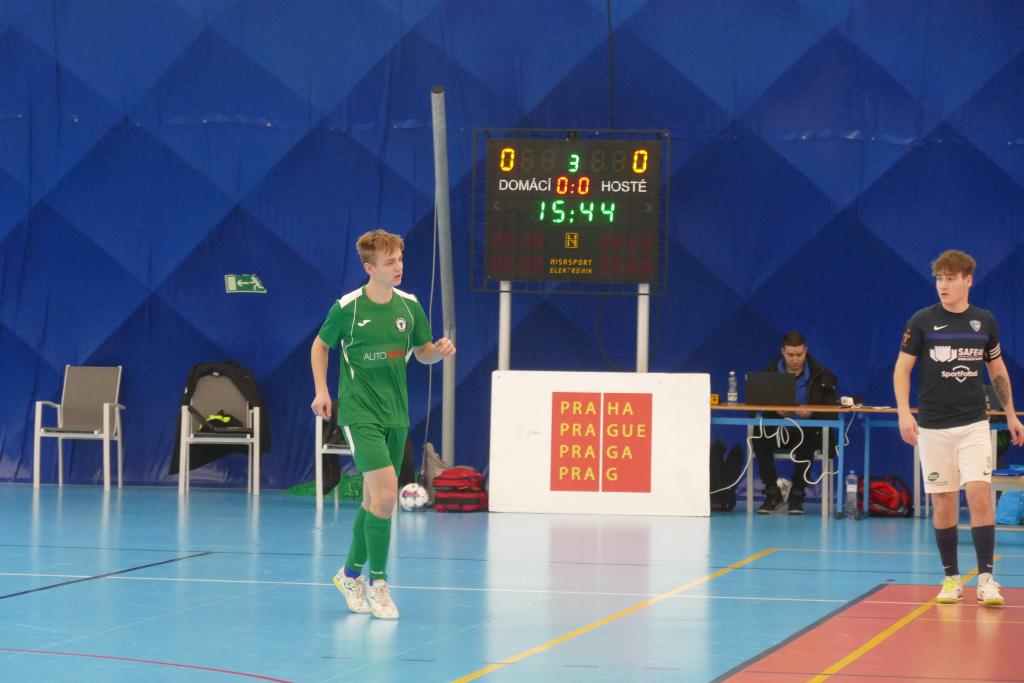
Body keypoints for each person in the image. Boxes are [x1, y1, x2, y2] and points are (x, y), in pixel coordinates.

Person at [310, 229, 456, 619]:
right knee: (388, 496)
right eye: (390, 262)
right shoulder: (348, 308)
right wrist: (322, 390)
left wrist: (438, 352)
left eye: (400, 259)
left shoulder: (410, 307)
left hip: (397, 414)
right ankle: (378, 584)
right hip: (360, 414)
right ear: (369, 267)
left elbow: (423, 353)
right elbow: (320, 345)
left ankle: (348, 575)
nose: (398, 266)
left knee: (374, 502)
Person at [894, 249, 1024, 606]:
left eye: (950, 279)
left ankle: (986, 580)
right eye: (939, 278)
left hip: (973, 424)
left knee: (980, 494)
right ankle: (951, 578)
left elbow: (997, 370)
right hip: (933, 428)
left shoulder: (984, 321)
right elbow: (902, 369)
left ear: (968, 280)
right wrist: (904, 413)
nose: (943, 285)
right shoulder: (922, 321)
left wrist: (1011, 414)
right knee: (944, 501)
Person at [754, 331, 839, 515]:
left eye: (799, 354)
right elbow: (755, 407)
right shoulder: (769, 374)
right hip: (779, 432)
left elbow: (832, 411)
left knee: (808, 438)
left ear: (806, 351)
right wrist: (775, 411)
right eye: (790, 355)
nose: (795, 359)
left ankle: (797, 495)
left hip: (807, 432)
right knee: (759, 437)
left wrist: (813, 412)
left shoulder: (822, 376)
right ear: (782, 352)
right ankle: (772, 493)